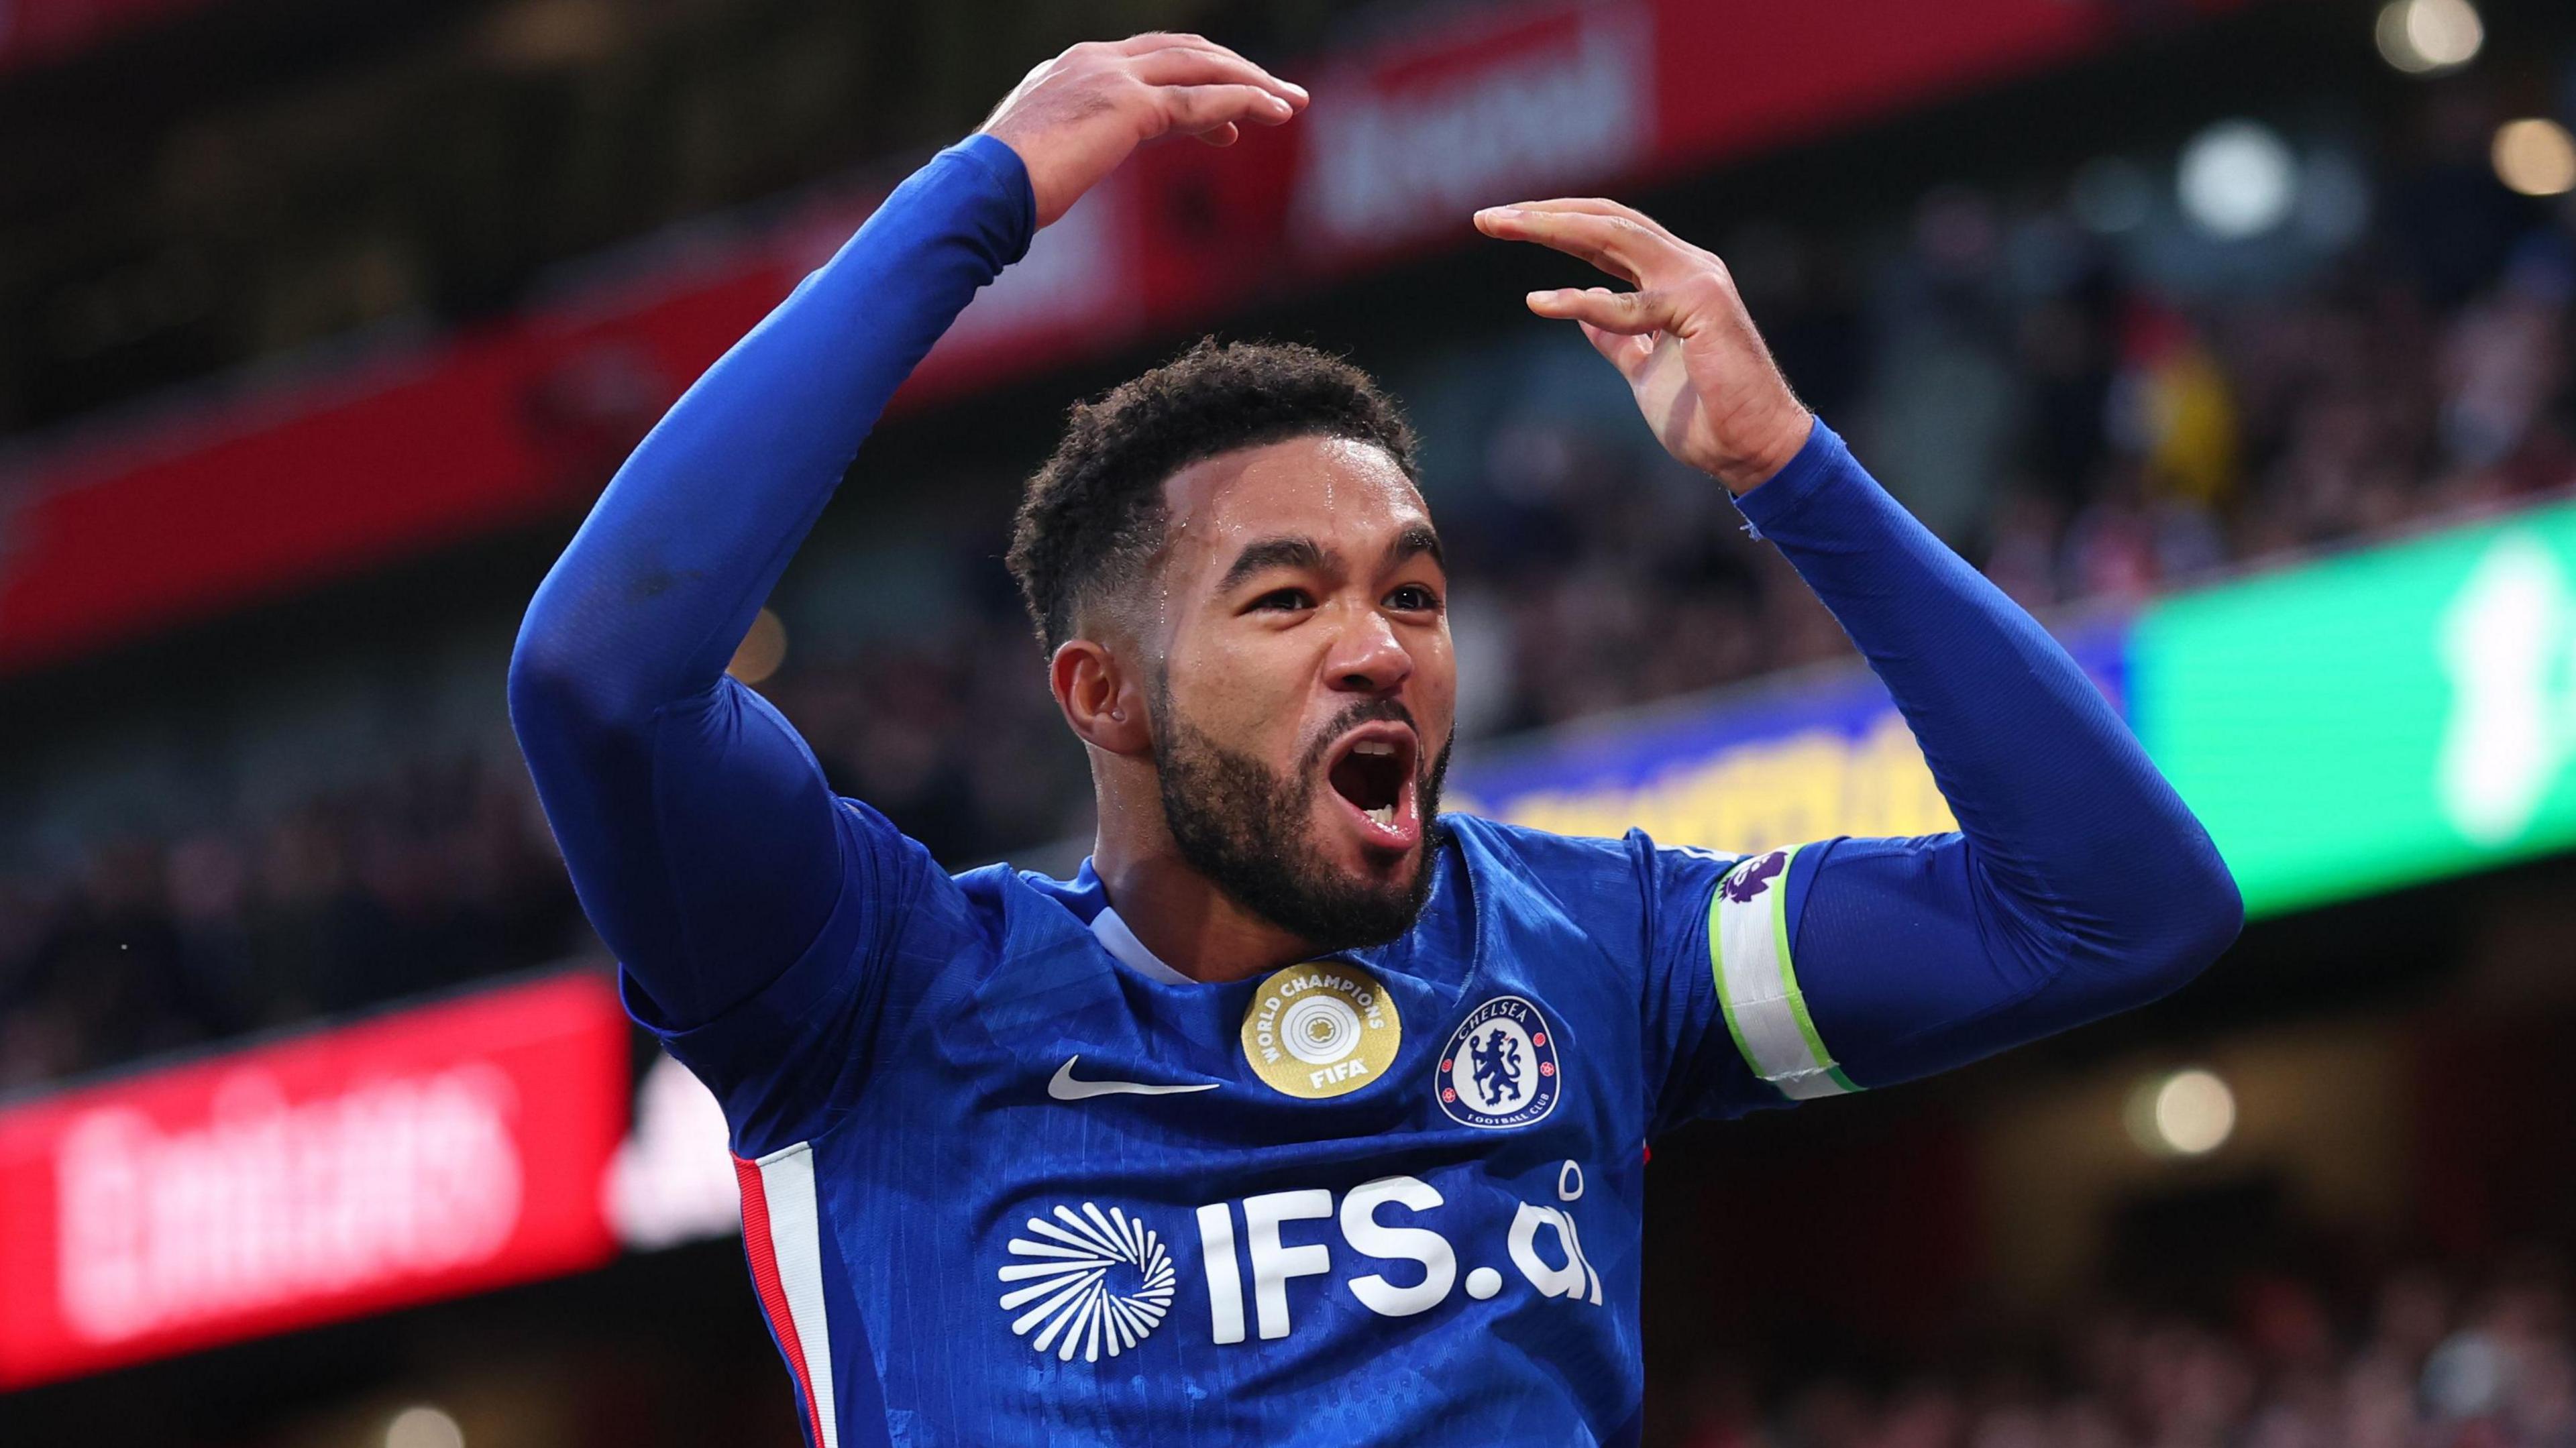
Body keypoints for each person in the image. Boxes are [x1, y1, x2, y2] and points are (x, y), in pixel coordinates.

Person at [507, 34, 2242, 1448]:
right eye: (1286, 601)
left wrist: (1793, 471)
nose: (1380, 649)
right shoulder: (873, 1000)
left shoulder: (1592, 953)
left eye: (1413, 593)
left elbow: (2112, 911)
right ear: (1104, 694)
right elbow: (602, 677)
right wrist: (976, 202)